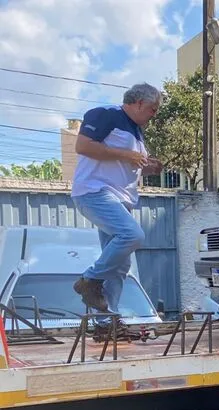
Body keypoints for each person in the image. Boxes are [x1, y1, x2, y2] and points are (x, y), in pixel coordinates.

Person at [71, 83, 162, 325]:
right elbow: (82, 146)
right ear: (140, 103)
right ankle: (89, 280)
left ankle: (106, 321)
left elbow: (124, 163)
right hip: (95, 191)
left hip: (121, 199)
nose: (154, 115)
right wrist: (128, 155)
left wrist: (147, 165)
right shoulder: (106, 114)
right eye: (153, 109)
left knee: (120, 266)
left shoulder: (136, 131)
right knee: (132, 234)